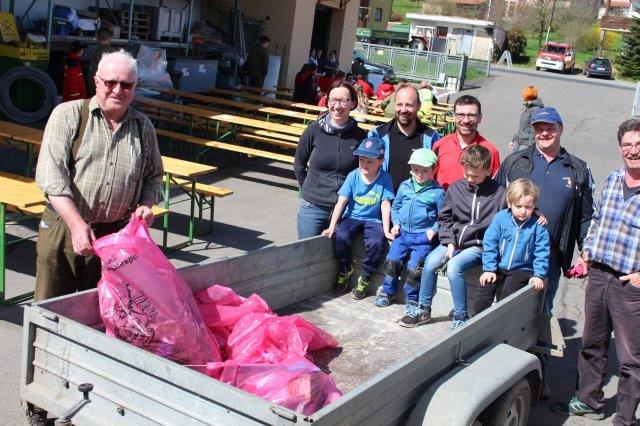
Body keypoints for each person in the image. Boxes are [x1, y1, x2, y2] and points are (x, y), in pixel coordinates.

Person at [29, 50, 164, 425]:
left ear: (135, 88)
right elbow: (51, 178)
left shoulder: (142, 127)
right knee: (52, 315)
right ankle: (40, 403)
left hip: (114, 238)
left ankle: (81, 401)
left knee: (98, 320)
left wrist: (146, 205)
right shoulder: (69, 115)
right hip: (63, 227)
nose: (117, 90)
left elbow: (154, 177)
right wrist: (75, 225)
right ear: (96, 81)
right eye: (110, 82)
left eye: (127, 84)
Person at [554, 118, 640, 424]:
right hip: (599, 274)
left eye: (638, 145)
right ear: (620, 149)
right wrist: (587, 253)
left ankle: (625, 419)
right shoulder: (615, 179)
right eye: (628, 145)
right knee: (592, 343)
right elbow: (599, 220)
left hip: (630, 284)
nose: (633, 150)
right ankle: (590, 401)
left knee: (631, 359)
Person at [495, 107, 594, 317]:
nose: (544, 133)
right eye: (539, 128)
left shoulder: (578, 169)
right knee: (505, 309)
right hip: (511, 254)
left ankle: (535, 349)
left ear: (561, 129)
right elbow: (494, 202)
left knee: (541, 309)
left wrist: (585, 252)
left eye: (550, 128)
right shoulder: (515, 162)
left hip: (550, 256)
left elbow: (585, 216)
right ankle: (502, 346)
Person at [409, 145, 506, 329]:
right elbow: (445, 218)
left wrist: (537, 214)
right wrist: (449, 242)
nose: (470, 179)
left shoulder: (499, 193)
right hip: (454, 241)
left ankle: (460, 316)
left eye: (475, 176)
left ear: (488, 170)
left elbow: (515, 210)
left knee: (454, 267)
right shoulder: (456, 188)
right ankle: (423, 309)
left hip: (479, 245)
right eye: (467, 174)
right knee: (430, 263)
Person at [322, 136, 394, 300]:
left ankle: (366, 276)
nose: (364, 165)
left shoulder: (385, 179)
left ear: (381, 160)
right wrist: (332, 226)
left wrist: (386, 229)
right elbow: (342, 201)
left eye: (370, 161)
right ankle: (345, 267)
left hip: (373, 220)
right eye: (362, 160)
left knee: (377, 242)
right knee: (341, 235)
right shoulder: (353, 176)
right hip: (352, 216)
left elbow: (385, 204)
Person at [375, 149, 445, 314]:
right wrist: (396, 223)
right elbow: (396, 207)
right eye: (416, 169)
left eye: (425, 170)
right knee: (392, 262)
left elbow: (443, 217)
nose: (419, 174)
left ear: (434, 170)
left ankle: (412, 298)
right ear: (411, 169)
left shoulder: (437, 192)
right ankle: (387, 291)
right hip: (403, 234)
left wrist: (433, 231)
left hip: (423, 237)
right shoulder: (405, 186)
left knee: (415, 268)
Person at [294, 82, 367, 239]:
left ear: (353, 103)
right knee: (307, 256)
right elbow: (299, 165)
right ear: (327, 102)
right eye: (333, 100)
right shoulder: (313, 130)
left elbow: (364, 172)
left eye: (343, 100)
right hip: (313, 206)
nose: (337, 106)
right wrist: (309, 189)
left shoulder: (360, 136)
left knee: (338, 258)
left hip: (346, 208)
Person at [474, 178, 550, 314]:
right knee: (484, 291)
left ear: (534, 206)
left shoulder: (538, 225)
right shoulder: (500, 218)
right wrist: (489, 268)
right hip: (498, 265)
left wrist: (538, 274)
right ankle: (475, 323)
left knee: (508, 297)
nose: (523, 211)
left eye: (528, 207)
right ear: (510, 203)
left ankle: (502, 328)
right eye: (518, 206)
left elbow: (542, 252)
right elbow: (490, 243)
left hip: (521, 269)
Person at [368, 85, 441, 192]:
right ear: (394, 105)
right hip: (384, 202)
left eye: (409, 105)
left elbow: (438, 172)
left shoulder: (432, 138)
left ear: (418, 106)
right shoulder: (377, 135)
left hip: (416, 204)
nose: (403, 110)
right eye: (399, 105)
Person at [432, 95, 501, 190]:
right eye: (461, 115)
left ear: (480, 118)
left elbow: (495, 189)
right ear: (454, 117)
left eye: (472, 115)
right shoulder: (440, 145)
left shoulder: (490, 151)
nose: (466, 120)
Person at [510, 85, 544, 153]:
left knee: (520, 161)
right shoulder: (528, 107)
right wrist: (513, 139)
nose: (523, 97)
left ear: (528, 96)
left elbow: (535, 130)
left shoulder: (535, 110)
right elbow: (522, 128)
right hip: (519, 139)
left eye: (524, 95)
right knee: (511, 159)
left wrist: (530, 146)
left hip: (526, 143)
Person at [86, 27, 115, 97]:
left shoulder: (95, 54)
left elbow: (91, 77)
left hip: (99, 93)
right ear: (110, 38)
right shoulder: (116, 53)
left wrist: (92, 94)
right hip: (113, 91)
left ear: (98, 39)